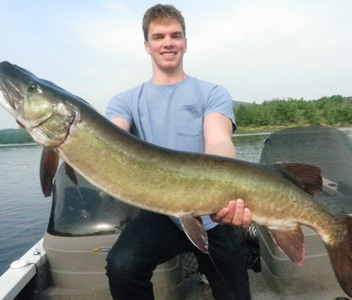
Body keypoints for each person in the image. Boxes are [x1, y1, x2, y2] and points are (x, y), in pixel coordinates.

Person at [105, 4, 252, 300]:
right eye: (158, 37)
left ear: (185, 42)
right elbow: (110, 142)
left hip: (212, 214)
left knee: (236, 295)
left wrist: (227, 194)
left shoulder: (212, 93)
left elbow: (219, 142)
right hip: (160, 212)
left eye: (175, 35)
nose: (168, 43)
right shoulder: (124, 102)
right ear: (147, 46)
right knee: (122, 266)